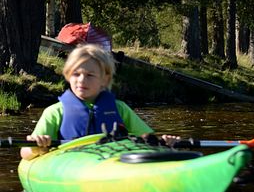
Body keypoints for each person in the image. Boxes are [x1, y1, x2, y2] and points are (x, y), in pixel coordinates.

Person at [21, 44, 179, 159]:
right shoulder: (55, 112)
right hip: (71, 163)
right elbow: (24, 153)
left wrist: (164, 143)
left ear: (105, 79)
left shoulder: (120, 108)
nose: (82, 80)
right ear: (68, 76)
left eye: (90, 75)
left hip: (113, 162)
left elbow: (147, 139)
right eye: (76, 74)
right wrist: (37, 147)